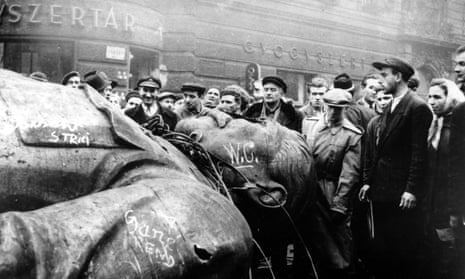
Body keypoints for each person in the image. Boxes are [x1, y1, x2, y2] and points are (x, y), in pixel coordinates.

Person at [359, 57, 433, 279]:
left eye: (384, 75)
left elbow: (419, 155)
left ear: (398, 77)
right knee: (383, 249)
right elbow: (379, 150)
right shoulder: (390, 106)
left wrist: (411, 189)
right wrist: (368, 182)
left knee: (402, 250)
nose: (381, 81)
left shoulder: (417, 108)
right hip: (382, 192)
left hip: (401, 195)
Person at [305, 88, 362, 279]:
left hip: (333, 191)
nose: (333, 112)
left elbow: (350, 174)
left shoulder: (351, 135)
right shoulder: (313, 127)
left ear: (345, 109)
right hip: (311, 190)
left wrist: (340, 204)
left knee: (338, 244)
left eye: (338, 109)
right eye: (330, 107)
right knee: (313, 243)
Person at [425, 78, 465, 279]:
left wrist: (454, 209)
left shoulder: (454, 128)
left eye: (438, 97)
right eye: (429, 96)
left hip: (448, 204)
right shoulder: (435, 125)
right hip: (432, 201)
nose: (432, 101)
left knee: (449, 257)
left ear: (450, 98)